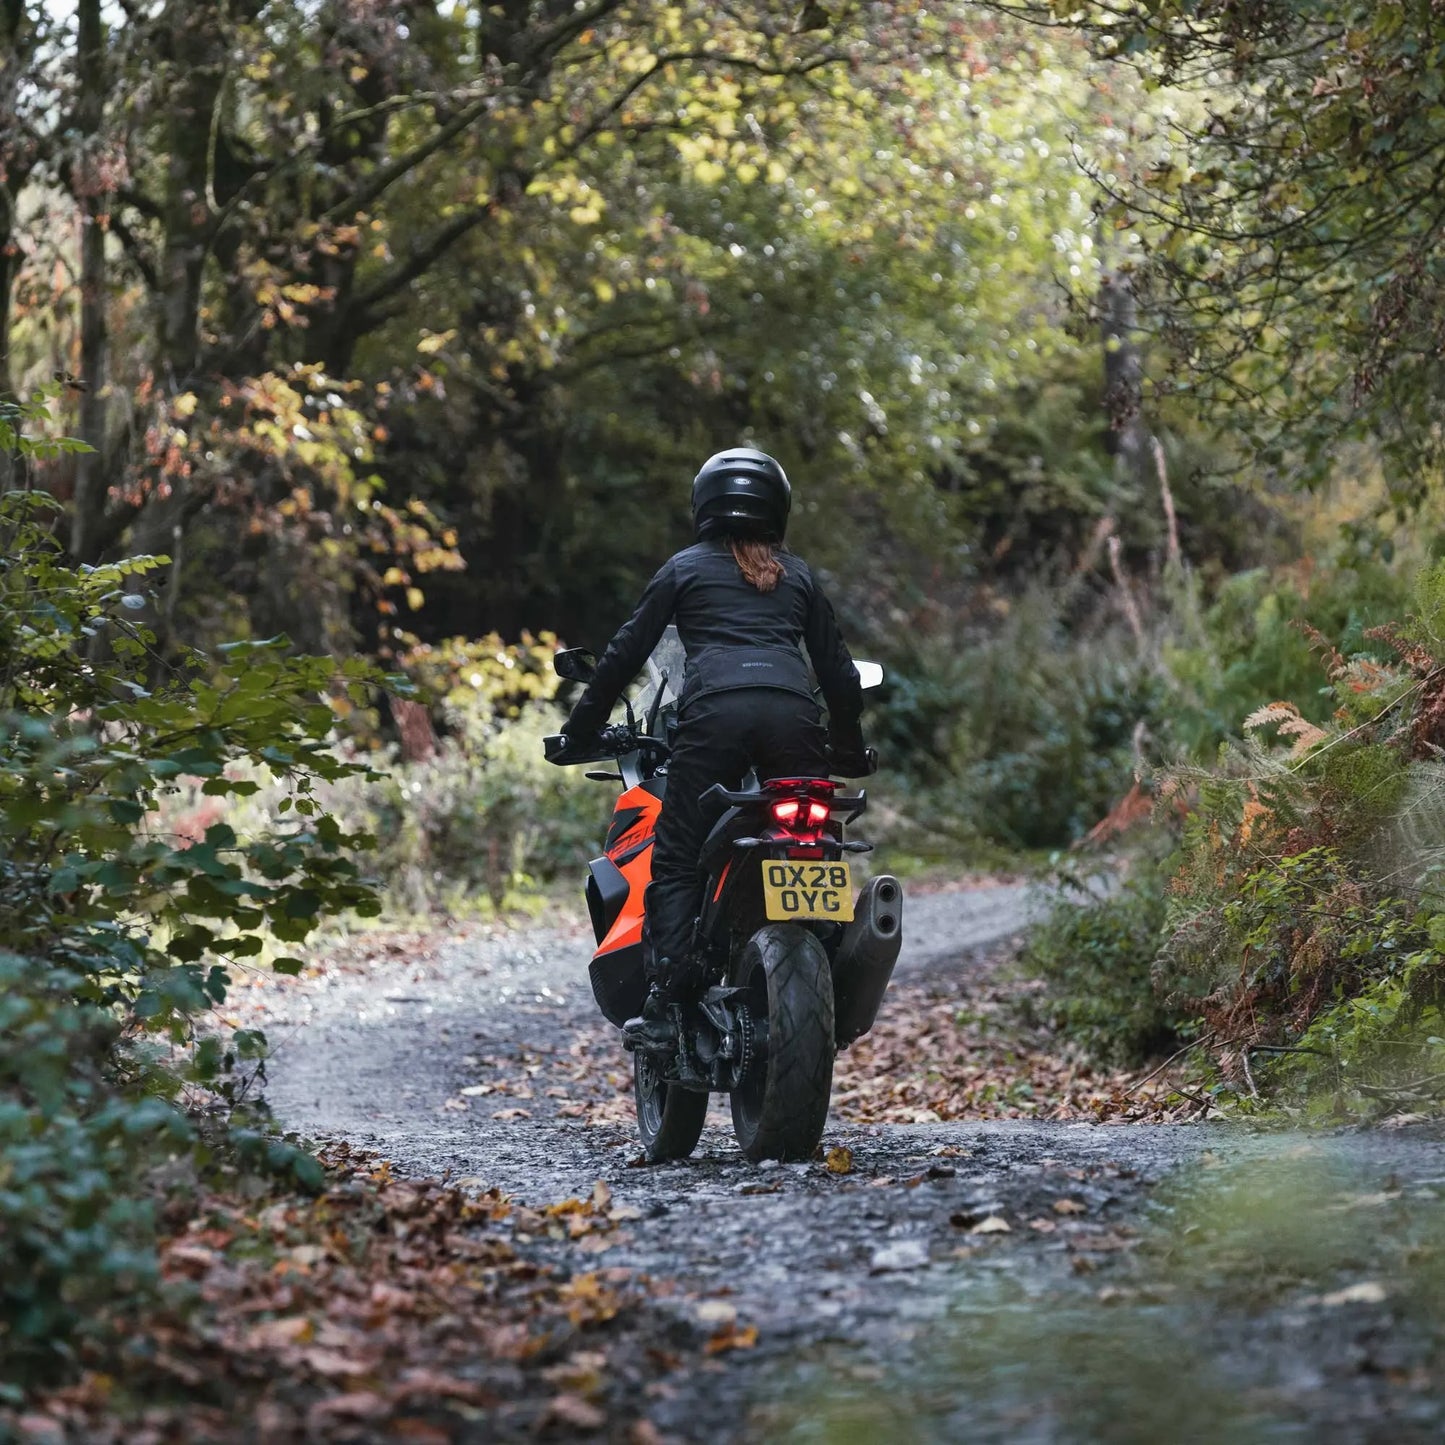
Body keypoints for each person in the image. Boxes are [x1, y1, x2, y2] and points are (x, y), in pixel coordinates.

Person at [557, 446, 872, 1047]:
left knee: (676, 857)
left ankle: (665, 1006)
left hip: (713, 720)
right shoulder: (796, 575)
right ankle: (827, 960)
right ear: (777, 508)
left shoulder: (683, 568)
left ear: (705, 504)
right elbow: (837, 673)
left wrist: (580, 730)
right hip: (794, 720)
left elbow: (625, 653)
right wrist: (849, 748)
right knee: (817, 841)